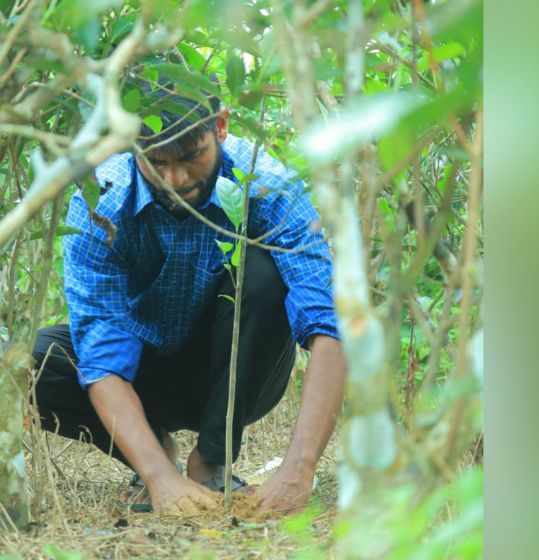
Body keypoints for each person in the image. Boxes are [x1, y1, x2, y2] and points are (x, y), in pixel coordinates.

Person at [31, 73, 347, 516]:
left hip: (235, 372)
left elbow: (331, 326)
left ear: (220, 126)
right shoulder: (100, 202)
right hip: (142, 375)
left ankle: (212, 459)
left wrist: (300, 470)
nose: (175, 179)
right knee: (32, 360)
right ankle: (155, 454)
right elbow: (102, 357)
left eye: (190, 156)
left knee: (262, 270)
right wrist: (159, 478)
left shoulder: (269, 186)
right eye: (155, 163)